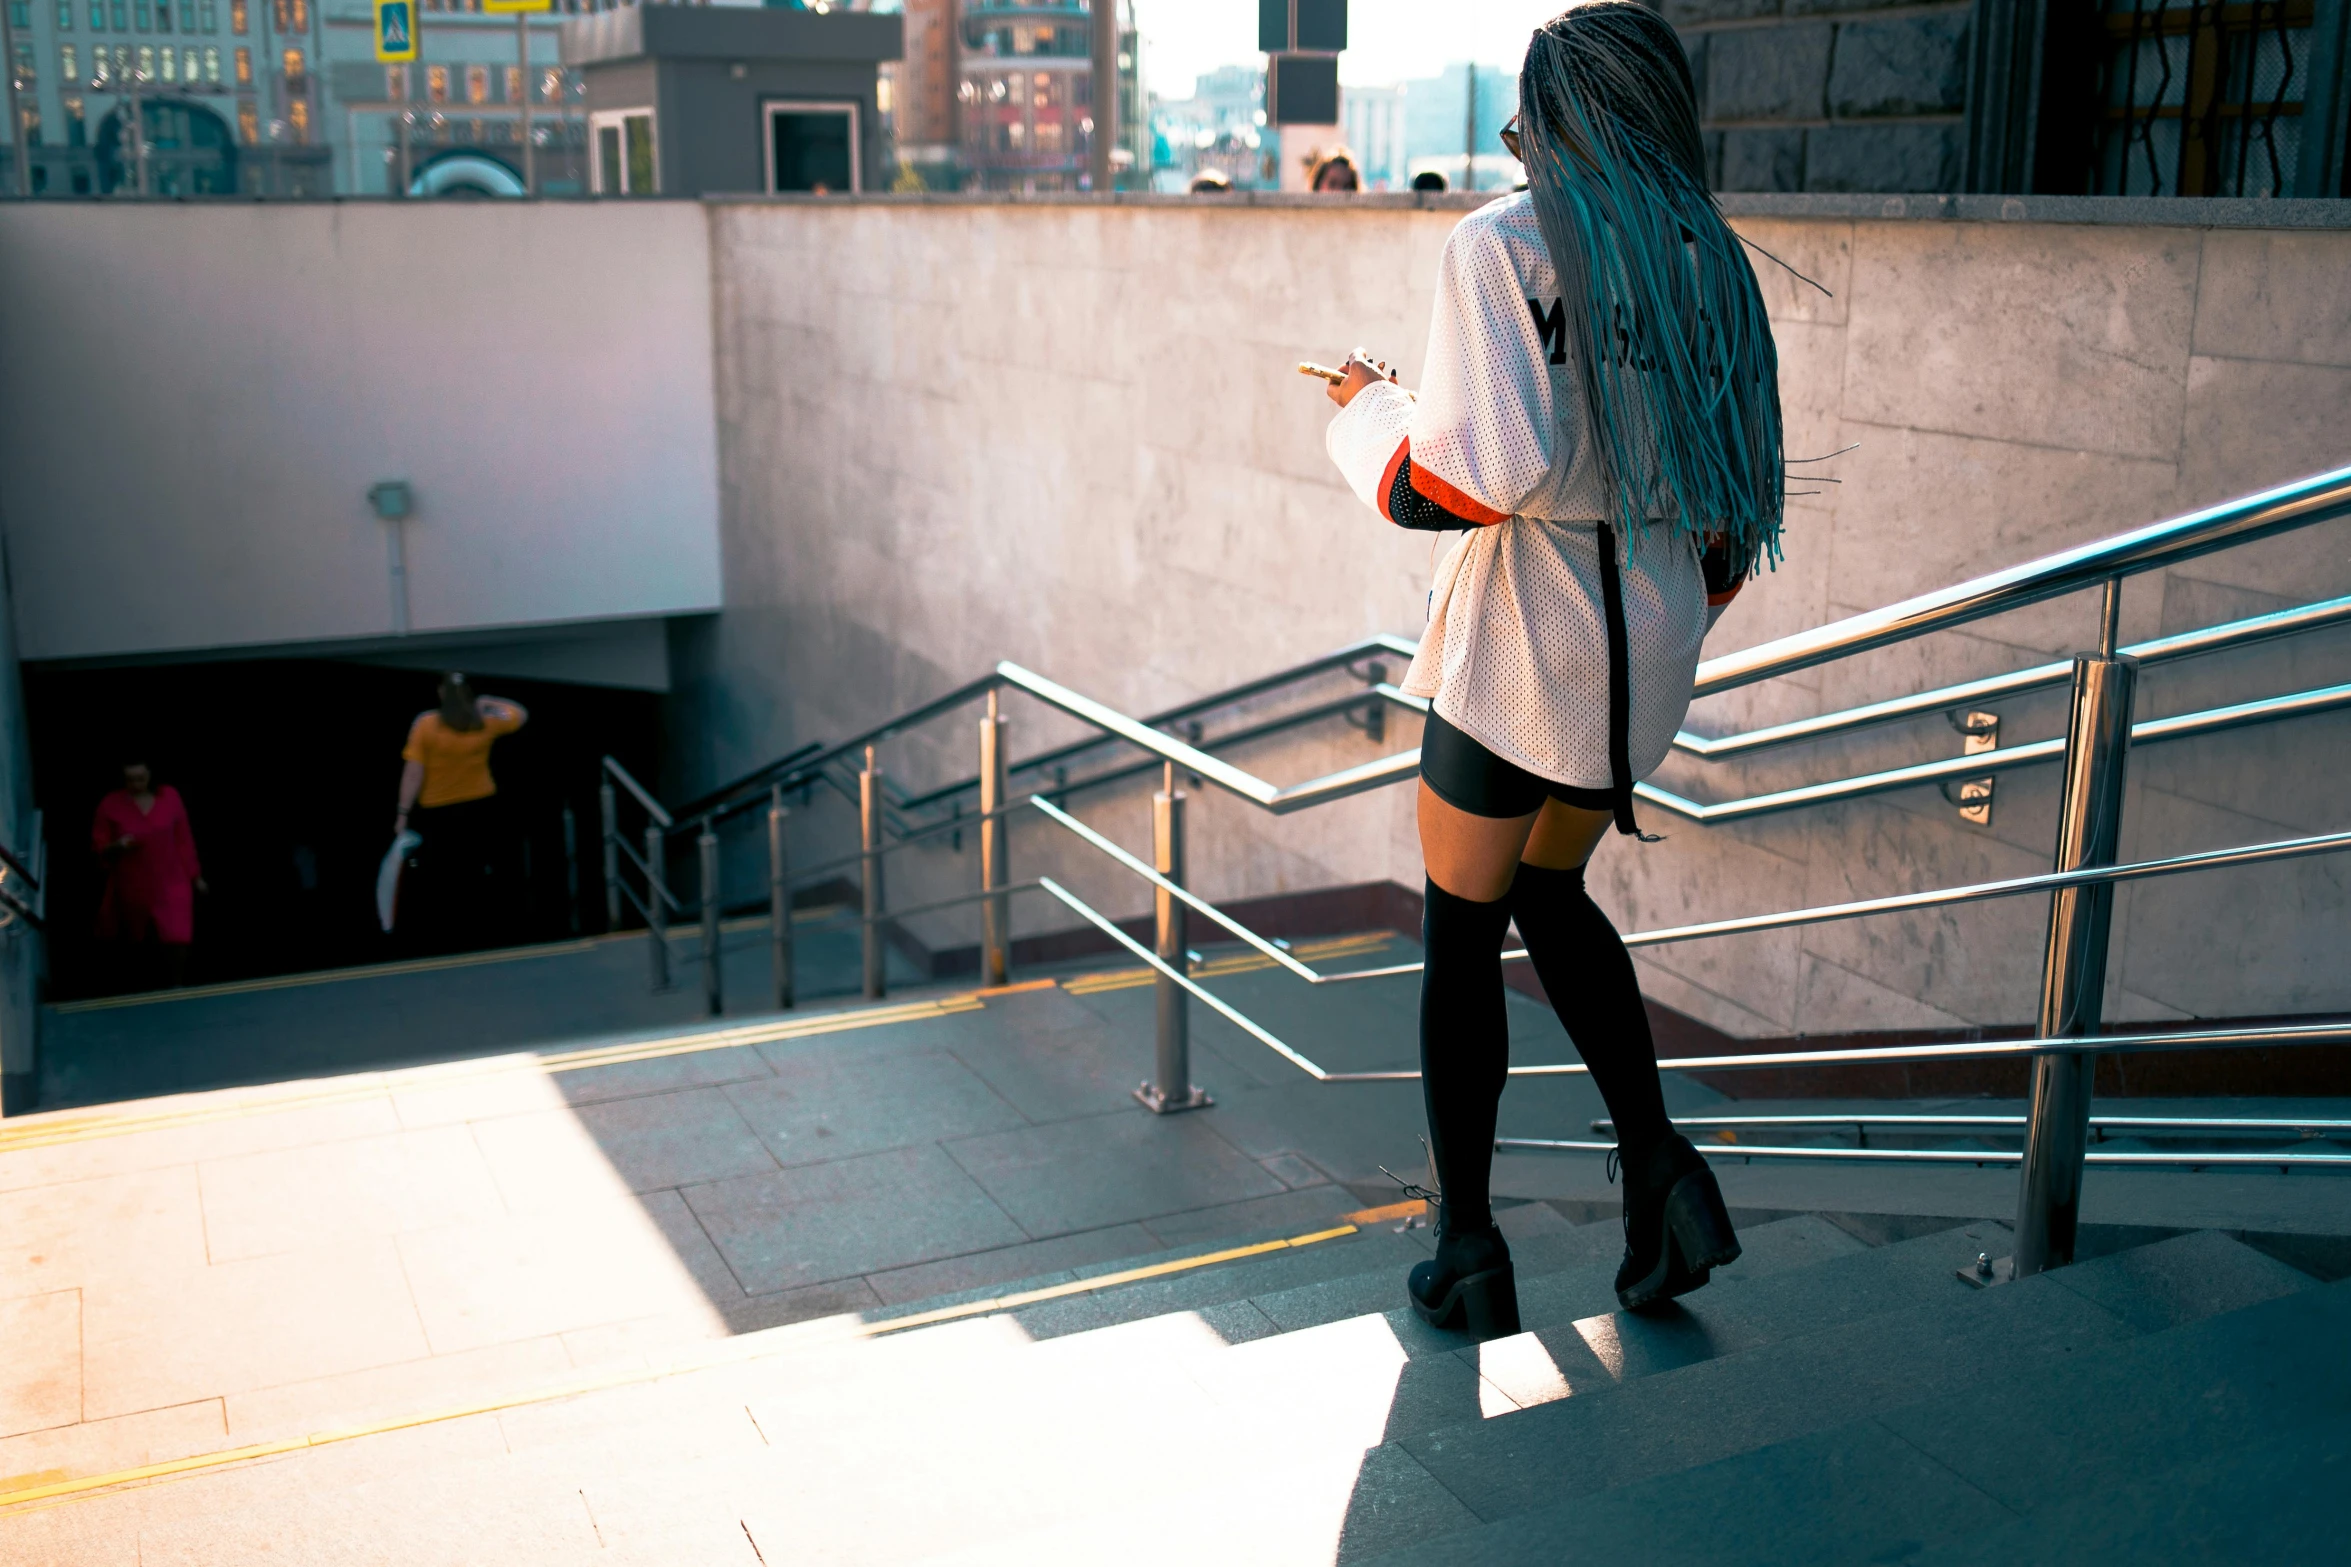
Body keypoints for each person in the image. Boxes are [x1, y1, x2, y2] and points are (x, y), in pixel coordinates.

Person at [1314, 2, 1784, 1334]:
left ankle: (1468, 1243)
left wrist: (1369, 416)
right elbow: (1736, 502)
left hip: (1518, 651)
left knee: (1459, 936)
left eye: (1526, 128)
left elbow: (1475, 473)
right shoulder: (1711, 263)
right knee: (1551, 890)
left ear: (1559, 123)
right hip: (1633, 662)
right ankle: (1660, 1170)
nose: (1520, 154)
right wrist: (1662, 602)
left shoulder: (1501, 246)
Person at [394, 674, 527, 952]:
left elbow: (413, 772)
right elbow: (520, 714)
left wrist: (403, 812)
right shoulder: (486, 721)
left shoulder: (426, 724)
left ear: (441, 693)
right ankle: (484, 929)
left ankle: (446, 933)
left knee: (443, 872)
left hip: (438, 810)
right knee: (477, 867)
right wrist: (489, 702)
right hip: (480, 806)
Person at [91, 759, 206, 990]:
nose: (136, 784)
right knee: (139, 934)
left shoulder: (169, 797)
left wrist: (196, 876)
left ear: (151, 776)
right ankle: (146, 984)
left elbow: (184, 838)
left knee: (177, 931)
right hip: (134, 880)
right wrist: (117, 846)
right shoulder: (111, 804)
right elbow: (99, 845)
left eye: (141, 778)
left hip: (172, 876)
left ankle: (178, 982)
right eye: (130, 779)